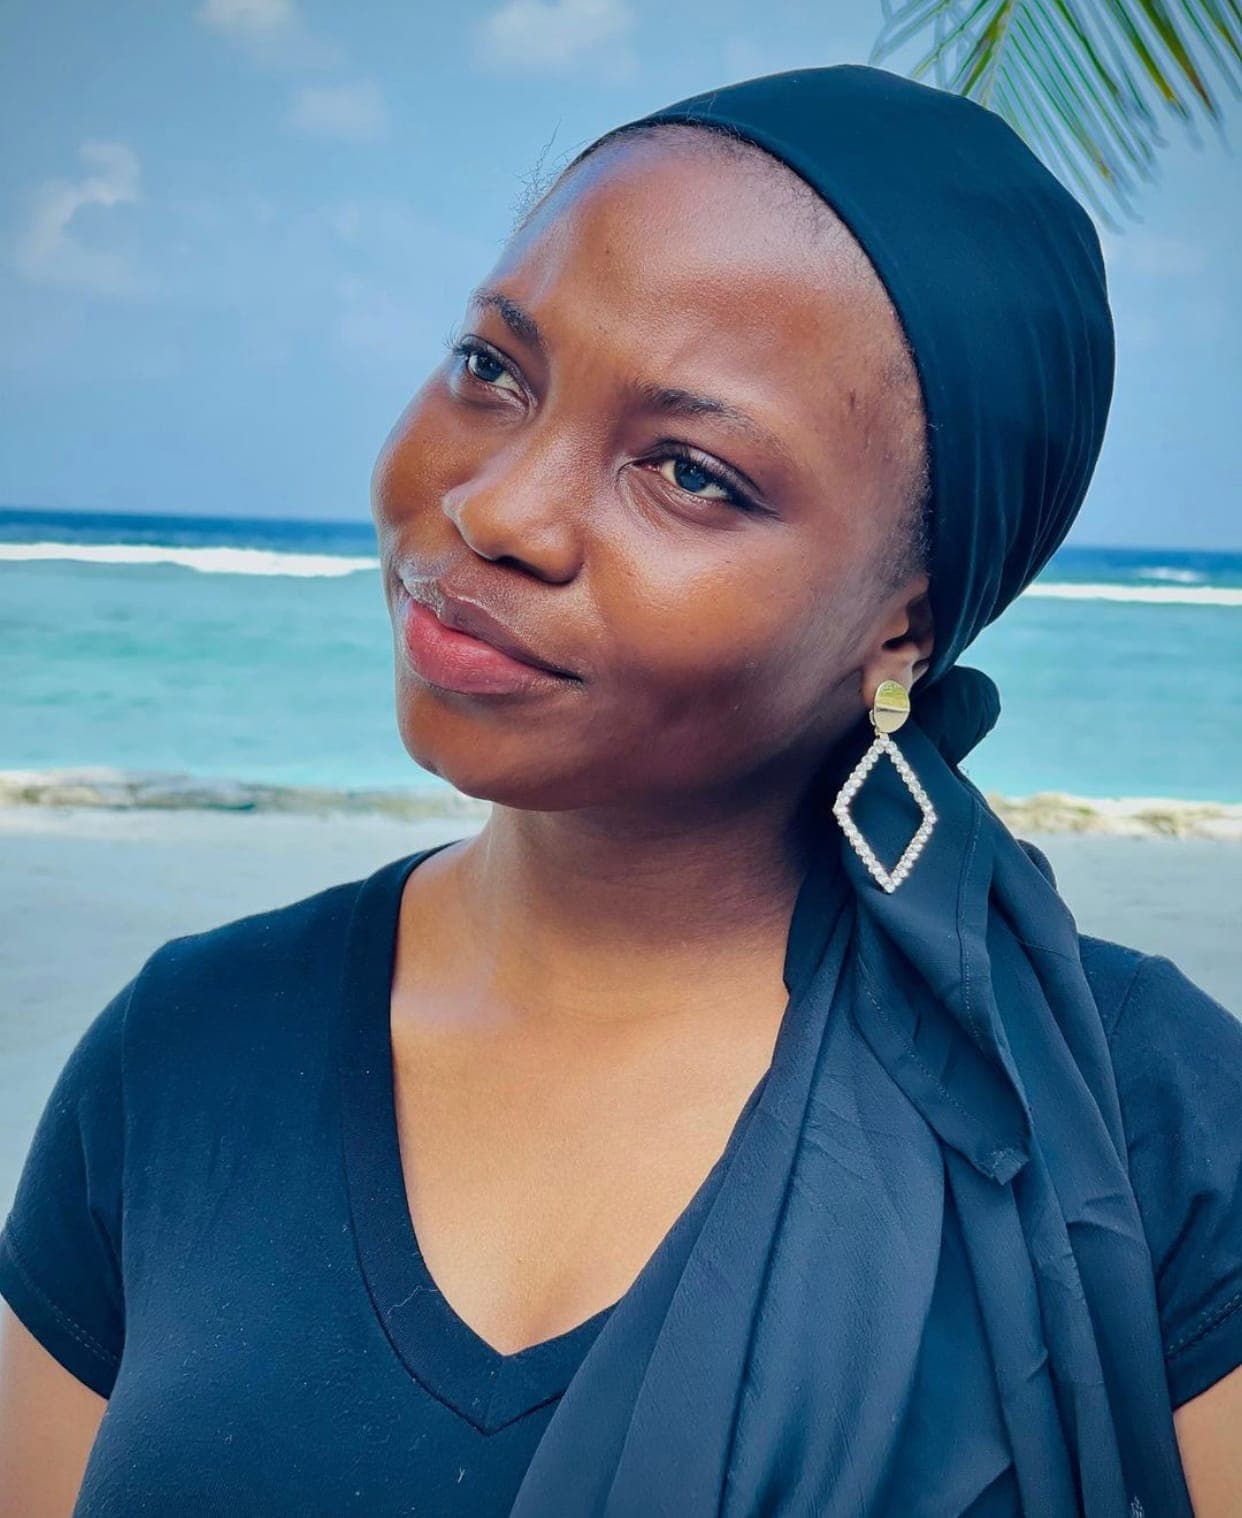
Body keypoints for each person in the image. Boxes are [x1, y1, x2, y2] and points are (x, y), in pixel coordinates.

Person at [1, 63, 1239, 1518]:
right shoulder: (185, 1055)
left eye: (691, 473)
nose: (497, 507)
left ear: (904, 623)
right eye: (492, 370)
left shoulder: (1135, 1121)